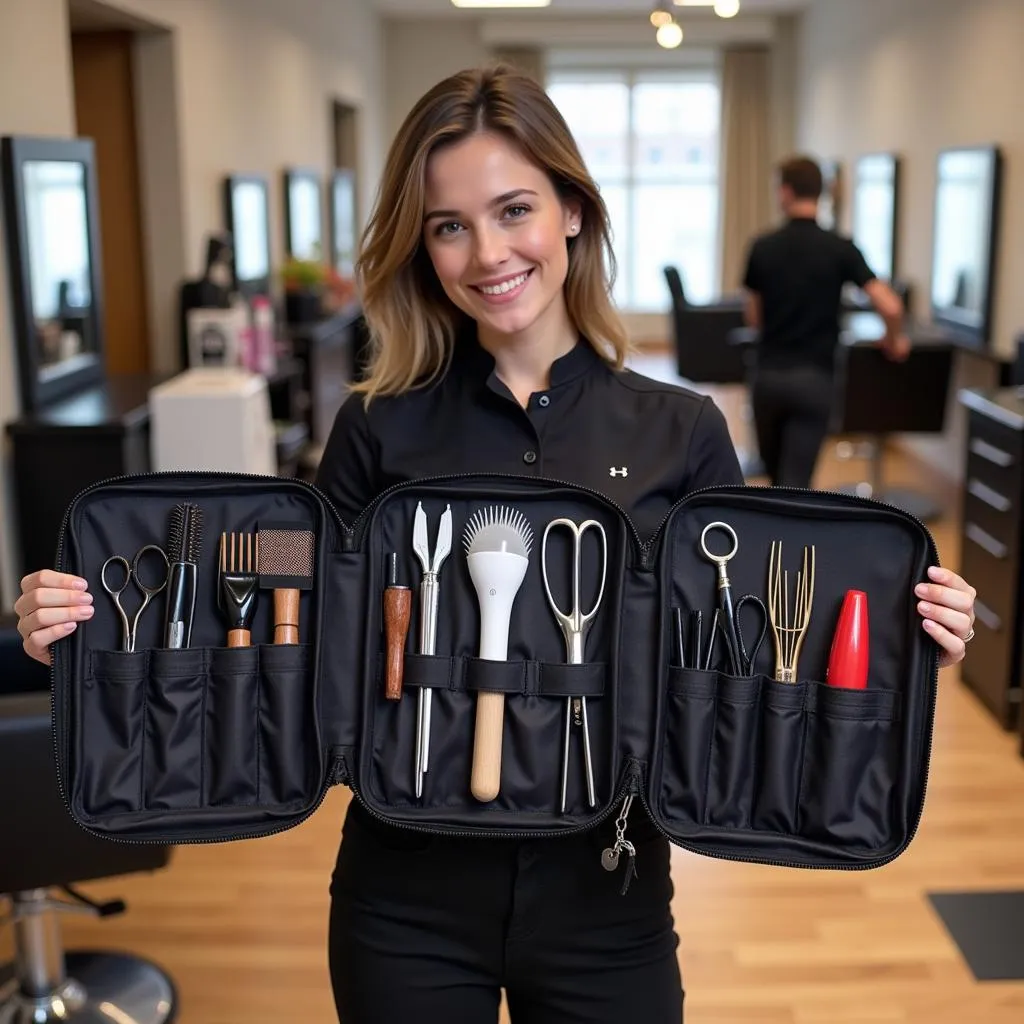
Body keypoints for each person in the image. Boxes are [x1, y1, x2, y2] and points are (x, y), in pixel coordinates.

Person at [15, 66, 978, 1024]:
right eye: (449, 225)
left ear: (571, 210)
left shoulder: (678, 431)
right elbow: (283, 590)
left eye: (513, 209)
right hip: (404, 899)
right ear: (423, 246)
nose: (486, 253)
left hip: (613, 896)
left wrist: (911, 627)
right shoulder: (376, 427)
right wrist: (95, 619)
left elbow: (739, 635)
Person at [742, 155, 910, 489]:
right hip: (816, 380)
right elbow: (890, 306)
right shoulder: (841, 248)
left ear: (785, 192)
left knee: (775, 479)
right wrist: (895, 340)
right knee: (796, 484)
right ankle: (792, 539)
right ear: (820, 193)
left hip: (769, 378)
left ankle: (770, 538)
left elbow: (753, 318)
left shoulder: (762, 247)